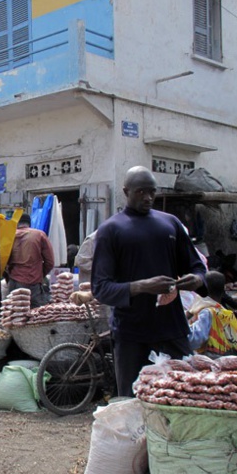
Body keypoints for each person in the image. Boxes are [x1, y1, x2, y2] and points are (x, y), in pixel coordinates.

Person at [92, 166, 206, 397]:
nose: (148, 197)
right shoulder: (110, 230)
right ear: (126, 191)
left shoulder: (170, 224)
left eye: (152, 192)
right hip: (131, 333)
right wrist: (142, 286)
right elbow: (101, 288)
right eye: (141, 192)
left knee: (185, 394)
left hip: (172, 328)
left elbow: (197, 267)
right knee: (132, 400)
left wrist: (196, 279)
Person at [187, 271, 237, 357]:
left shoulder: (207, 312)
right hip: (229, 357)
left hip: (210, 359)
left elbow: (195, 340)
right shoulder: (225, 312)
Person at [6, 213, 54, 308]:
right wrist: (40, 274)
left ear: (17, 223)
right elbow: (50, 262)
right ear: (29, 223)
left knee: (15, 312)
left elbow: (2, 261)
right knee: (35, 313)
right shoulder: (39, 235)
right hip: (34, 282)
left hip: (14, 281)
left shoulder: (9, 236)